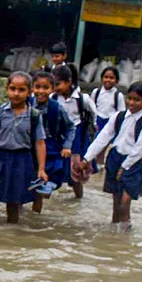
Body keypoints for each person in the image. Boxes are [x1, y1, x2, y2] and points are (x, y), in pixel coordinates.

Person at [79, 82, 142, 230]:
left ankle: (125, 231)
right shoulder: (118, 117)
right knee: (116, 198)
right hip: (115, 158)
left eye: (137, 100)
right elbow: (103, 137)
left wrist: (125, 166)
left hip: (133, 162)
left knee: (126, 200)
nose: (132, 103)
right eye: (130, 98)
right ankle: (114, 231)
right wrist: (87, 158)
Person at [0, 72, 46, 224]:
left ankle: (12, 234)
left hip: (21, 159)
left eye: (21, 90)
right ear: (7, 89)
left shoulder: (34, 115)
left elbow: (40, 143)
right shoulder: (0, 110)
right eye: (12, 89)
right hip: (0, 157)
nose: (16, 94)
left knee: (14, 203)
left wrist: (41, 169)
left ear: (29, 92)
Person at [30, 71, 74, 213]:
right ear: (32, 88)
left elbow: (71, 127)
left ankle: (35, 217)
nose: (41, 91)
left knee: (40, 189)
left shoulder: (57, 108)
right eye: (37, 87)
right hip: (29, 149)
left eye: (45, 88)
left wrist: (67, 146)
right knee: (22, 184)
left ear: (52, 89)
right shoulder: (26, 104)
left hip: (50, 149)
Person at [51, 65, 95, 198]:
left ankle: (78, 198)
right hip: (59, 136)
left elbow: (93, 115)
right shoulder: (53, 98)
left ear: (69, 82)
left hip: (77, 137)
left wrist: (90, 129)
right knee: (54, 168)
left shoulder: (83, 99)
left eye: (58, 84)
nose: (56, 88)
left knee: (76, 171)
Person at [92, 66, 125, 134]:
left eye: (112, 78)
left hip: (110, 124)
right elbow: (92, 108)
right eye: (106, 77)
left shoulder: (118, 96)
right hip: (97, 123)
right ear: (102, 79)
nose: (108, 80)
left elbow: (121, 114)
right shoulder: (96, 92)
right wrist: (94, 123)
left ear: (117, 80)